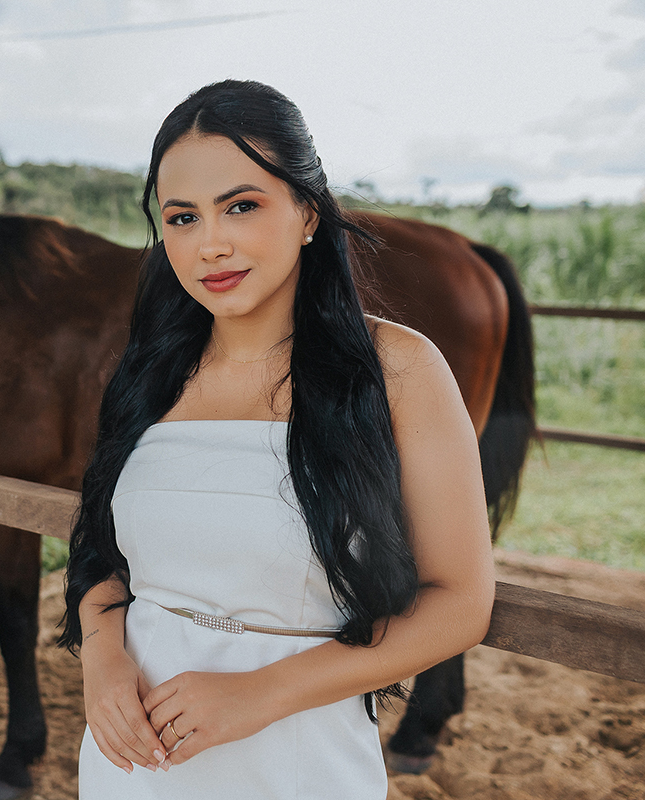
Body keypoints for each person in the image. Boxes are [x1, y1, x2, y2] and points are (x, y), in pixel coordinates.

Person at [58, 79, 495, 798]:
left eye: (241, 206)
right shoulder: (148, 372)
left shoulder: (400, 369)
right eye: (183, 217)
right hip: (130, 765)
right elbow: (103, 555)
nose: (211, 244)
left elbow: (461, 603)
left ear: (308, 213)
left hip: (295, 758)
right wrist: (103, 660)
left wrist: (260, 693)